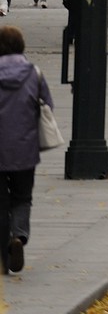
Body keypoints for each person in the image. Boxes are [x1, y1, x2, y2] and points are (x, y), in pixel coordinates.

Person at [0, 24, 54, 276]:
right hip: (24, 149)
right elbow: (47, 107)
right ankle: (18, 237)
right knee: (22, 197)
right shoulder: (35, 74)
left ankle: (1, 253)